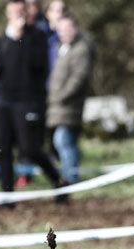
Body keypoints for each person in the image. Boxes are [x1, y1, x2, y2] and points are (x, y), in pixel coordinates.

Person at [0, 0, 67, 200]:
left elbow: (36, 65)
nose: (18, 15)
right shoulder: (4, 38)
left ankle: (58, 180)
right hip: (4, 100)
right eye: (14, 11)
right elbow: (1, 68)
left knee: (30, 148)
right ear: (8, 13)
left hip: (28, 100)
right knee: (1, 147)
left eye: (21, 11)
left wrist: (19, 39)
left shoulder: (37, 36)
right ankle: (7, 195)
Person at [46, 14, 93, 185]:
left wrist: (61, 96)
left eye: (68, 28)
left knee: (62, 140)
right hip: (58, 106)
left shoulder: (81, 50)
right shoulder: (60, 48)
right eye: (61, 29)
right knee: (63, 141)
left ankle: (71, 179)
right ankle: (69, 174)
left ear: (75, 28)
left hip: (69, 104)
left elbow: (78, 78)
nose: (65, 32)